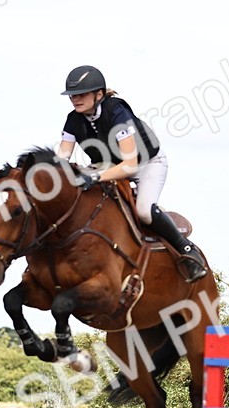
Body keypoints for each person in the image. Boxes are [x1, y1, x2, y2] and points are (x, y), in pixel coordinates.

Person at [56, 65, 208, 282]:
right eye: (72, 95)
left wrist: (95, 177)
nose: (75, 99)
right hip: (107, 165)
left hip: (145, 164)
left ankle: (187, 250)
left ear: (98, 94)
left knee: (144, 211)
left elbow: (129, 165)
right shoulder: (73, 119)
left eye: (81, 94)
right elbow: (62, 158)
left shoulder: (117, 112)